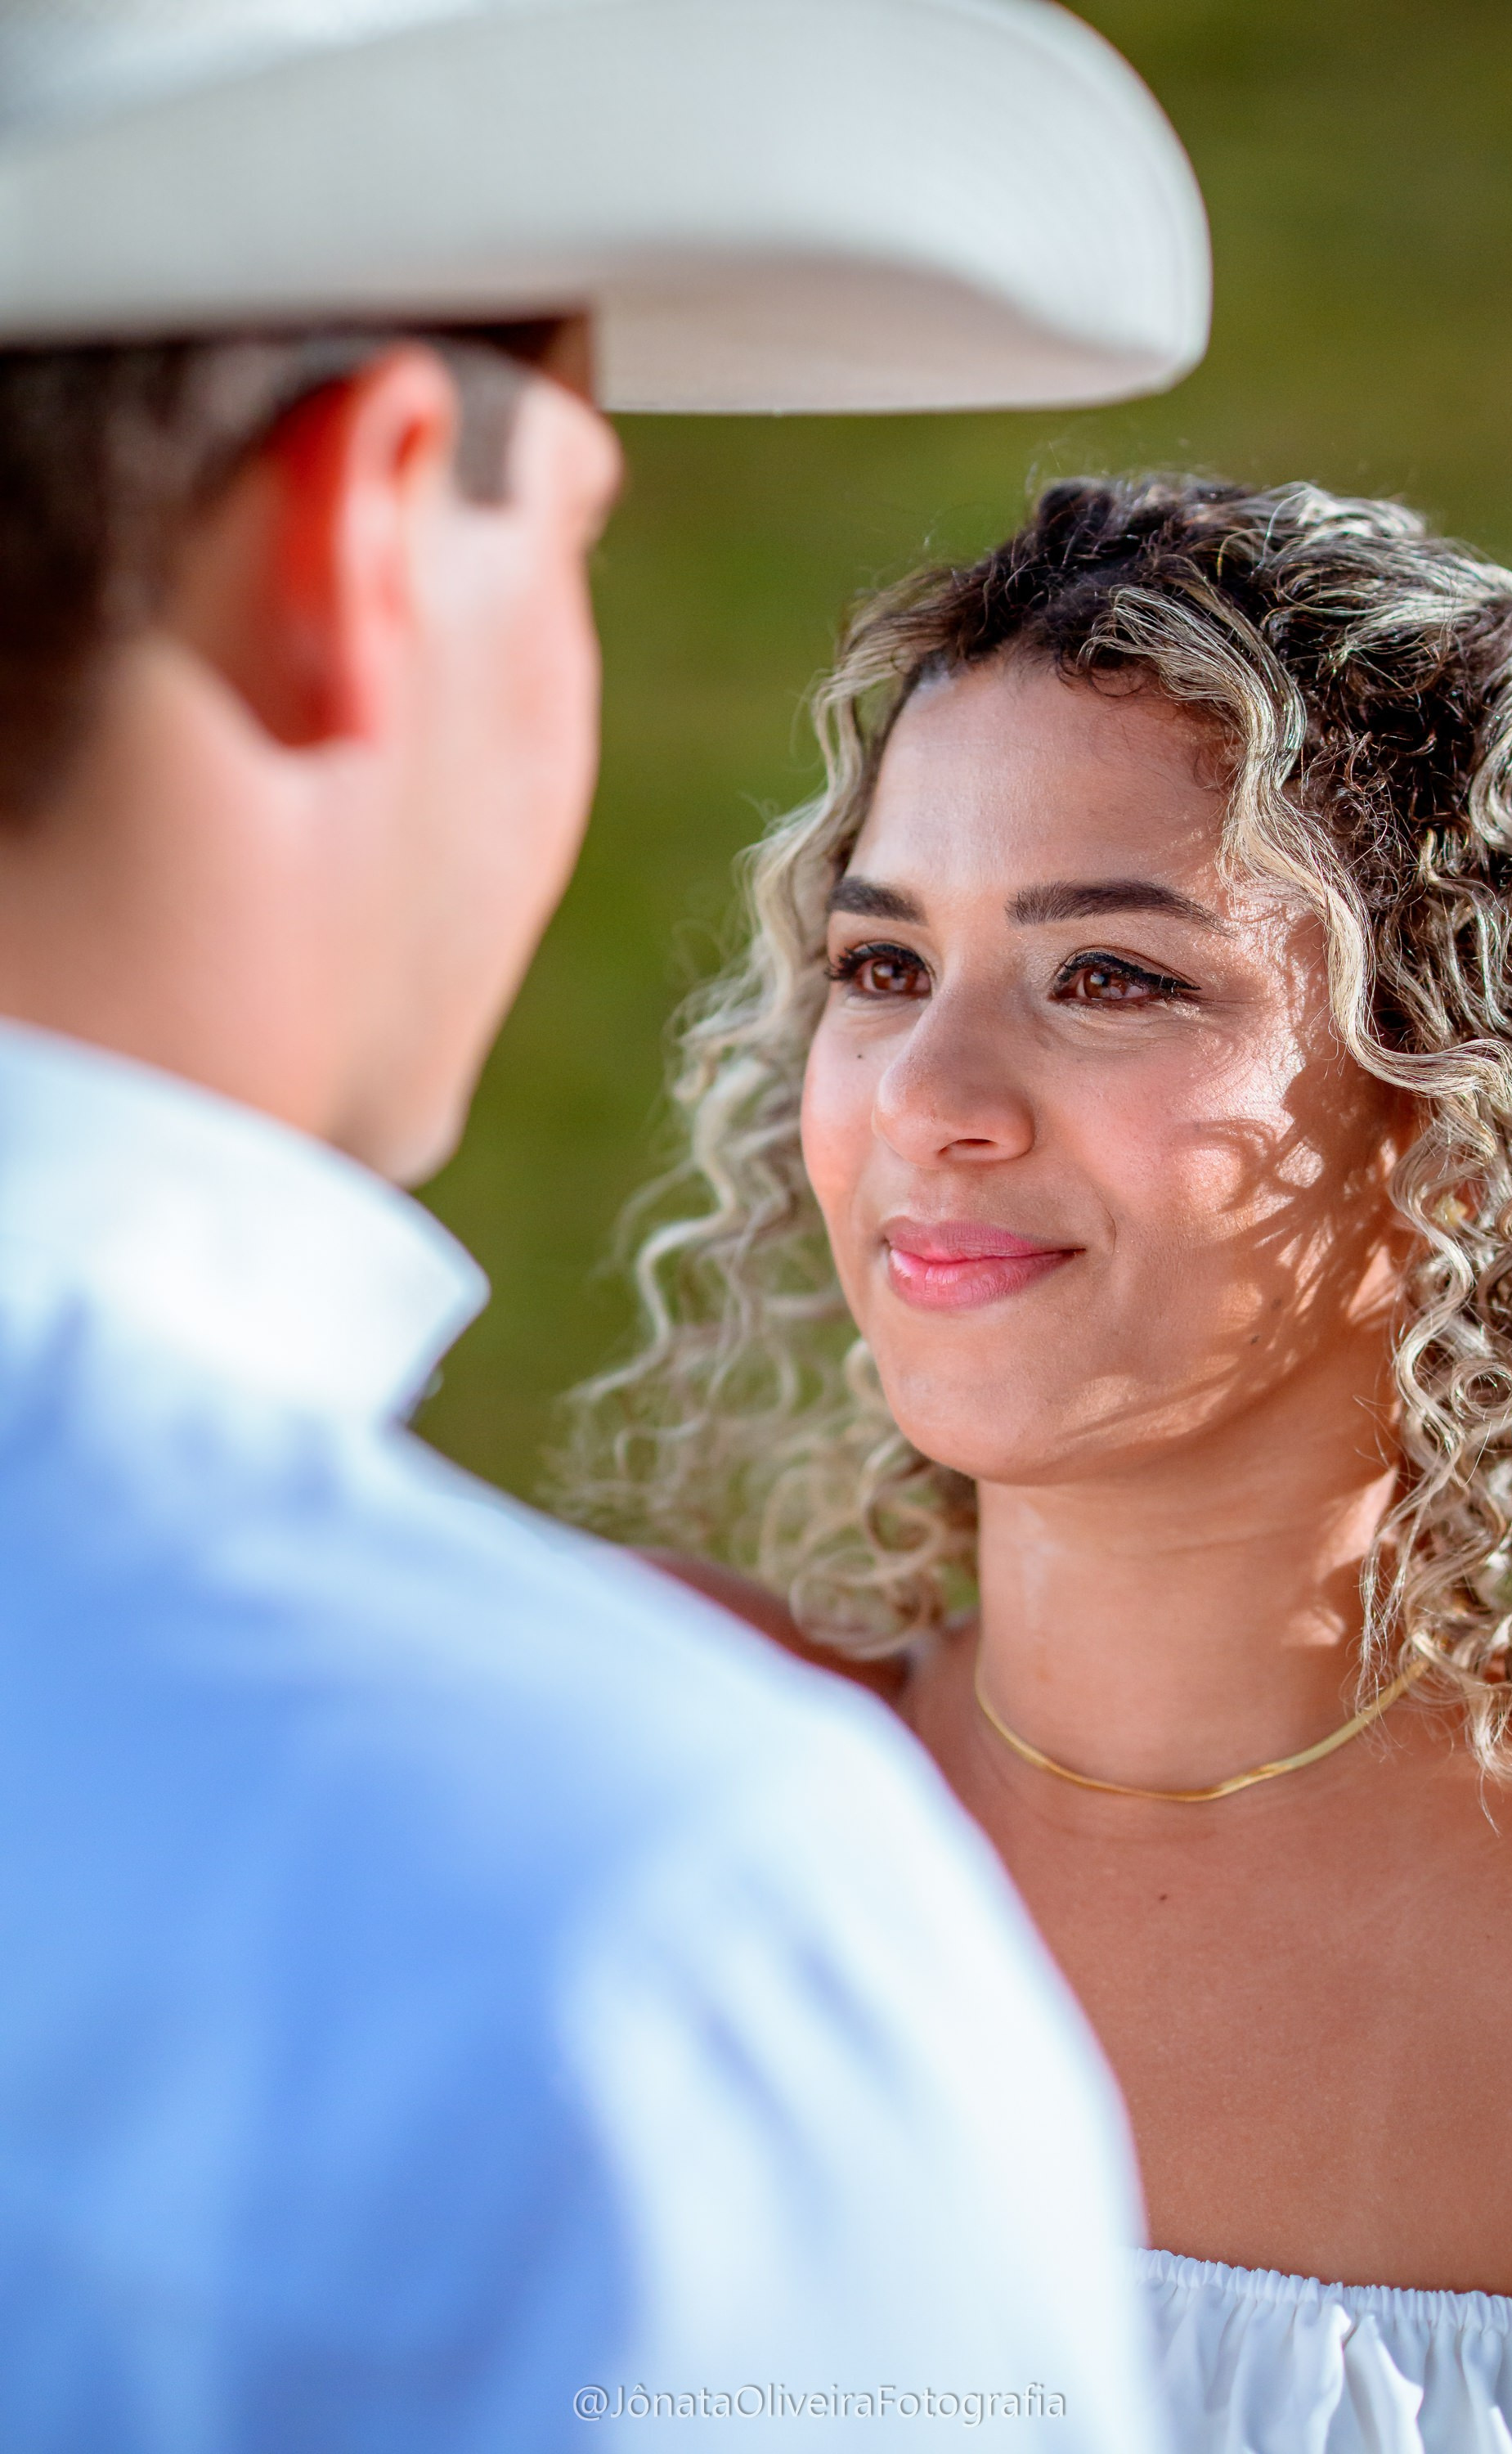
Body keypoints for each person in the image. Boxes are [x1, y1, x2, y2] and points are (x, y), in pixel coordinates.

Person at [0, 4, 1214, 2447]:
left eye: (1108, 974)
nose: (936, 1099)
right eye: (568, 529)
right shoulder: (643, 1934)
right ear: (358, 530)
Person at [575, 473, 1512, 2453]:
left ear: (1481, 1119)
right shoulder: (612, 1765)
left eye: (1114, 977)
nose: (928, 1101)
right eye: (884, 967)